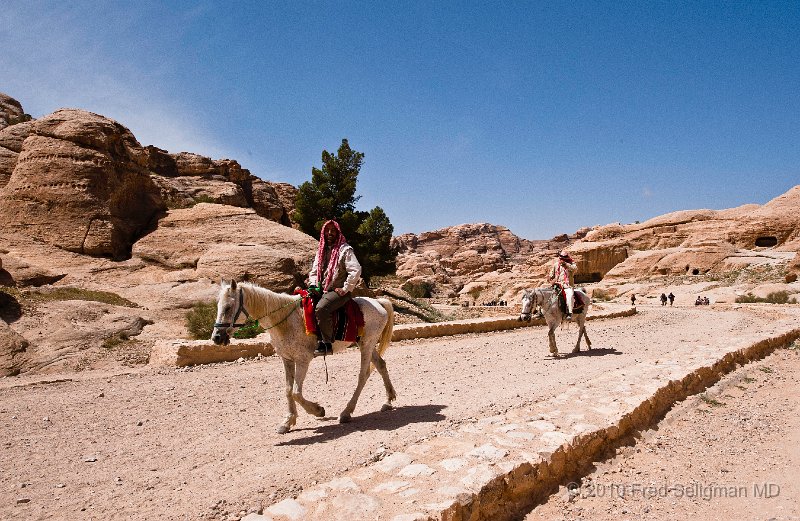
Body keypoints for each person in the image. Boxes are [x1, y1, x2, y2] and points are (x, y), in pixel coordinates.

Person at [308, 220, 362, 356]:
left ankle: (326, 344)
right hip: (323, 289)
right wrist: (314, 284)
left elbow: (355, 270)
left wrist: (345, 288)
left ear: (338, 233)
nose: (330, 233)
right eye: (327, 230)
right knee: (305, 303)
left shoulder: (345, 250)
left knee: (321, 308)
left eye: (333, 230)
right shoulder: (321, 250)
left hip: (339, 292)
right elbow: (314, 271)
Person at [548, 250, 577, 319]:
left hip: (568, 285)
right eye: (561, 258)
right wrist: (550, 279)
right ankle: (540, 312)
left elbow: (575, 269)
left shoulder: (571, 264)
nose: (561, 259)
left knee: (570, 296)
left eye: (563, 258)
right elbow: (551, 274)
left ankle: (569, 313)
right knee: (544, 294)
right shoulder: (556, 265)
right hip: (557, 284)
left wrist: (566, 264)